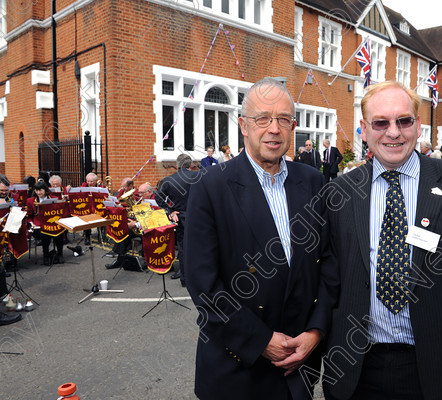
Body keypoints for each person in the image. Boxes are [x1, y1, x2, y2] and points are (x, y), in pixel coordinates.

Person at [323, 81, 442, 400]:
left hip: (434, 369)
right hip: (356, 369)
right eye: (381, 123)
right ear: (364, 129)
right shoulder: (338, 193)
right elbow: (327, 283)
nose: (393, 132)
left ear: (418, 125)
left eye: (404, 120)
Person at [184, 77, 339, 400]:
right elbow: (203, 284)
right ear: (243, 125)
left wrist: (315, 332)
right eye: (263, 118)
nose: (274, 128)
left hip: (298, 369)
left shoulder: (312, 182)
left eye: (283, 119)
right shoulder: (210, 188)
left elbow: (328, 263)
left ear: (293, 126)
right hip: (237, 371)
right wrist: (260, 341)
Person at [156, 153, 200, 286]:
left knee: (182, 247)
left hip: (180, 217)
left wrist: (169, 212)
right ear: (191, 165)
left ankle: (185, 279)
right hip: (198, 217)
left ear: (177, 165)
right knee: (200, 246)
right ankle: (199, 276)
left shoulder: (169, 180)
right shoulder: (198, 176)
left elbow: (158, 197)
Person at [105, 182, 156, 270]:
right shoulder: (141, 200)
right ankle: (120, 259)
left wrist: (136, 224)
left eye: (141, 193)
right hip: (140, 225)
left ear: (149, 192)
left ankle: (146, 260)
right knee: (124, 231)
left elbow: (154, 218)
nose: (139, 195)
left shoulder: (155, 201)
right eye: (139, 193)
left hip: (151, 227)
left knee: (146, 234)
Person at [26, 180, 65, 265]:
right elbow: (29, 216)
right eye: (36, 190)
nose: (38, 192)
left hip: (52, 223)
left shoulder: (54, 198)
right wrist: (31, 224)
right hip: (38, 225)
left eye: (40, 190)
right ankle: (46, 255)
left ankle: (60, 254)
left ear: (45, 190)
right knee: (45, 234)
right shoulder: (30, 200)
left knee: (60, 232)